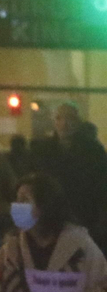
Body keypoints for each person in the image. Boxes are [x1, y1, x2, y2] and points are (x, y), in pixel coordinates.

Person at [30, 102, 107, 245]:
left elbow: (102, 187)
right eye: (59, 118)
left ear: (78, 122)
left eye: (69, 118)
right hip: (52, 218)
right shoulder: (43, 151)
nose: (64, 124)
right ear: (54, 121)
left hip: (84, 218)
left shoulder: (94, 152)